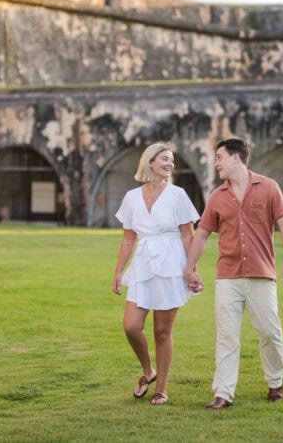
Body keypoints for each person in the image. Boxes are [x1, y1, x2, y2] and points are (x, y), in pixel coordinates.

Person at [185, 138, 283, 410]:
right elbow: (202, 235)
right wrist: (190, 267)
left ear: (236, 158)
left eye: (220, 157)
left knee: (269, 331)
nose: (216, 164)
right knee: (226, 336)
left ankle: (275, 382)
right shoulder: (217, 196)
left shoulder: (269, 188)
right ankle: (223, 393)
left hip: (261, 273)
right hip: (227, 276)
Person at [112, 142, 200, 405]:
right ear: (150, 162)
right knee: (131, 326)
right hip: (142, 265)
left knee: (162, 332)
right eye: (164, 158)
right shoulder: (131, 197)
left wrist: (191, 270)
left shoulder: (178, 195)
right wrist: (118, 270)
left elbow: (188, 235)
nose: (170, 163)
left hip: (171, 265)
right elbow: (128, 239)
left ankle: (161, 387)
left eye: (171, 159)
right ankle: (148, 370)